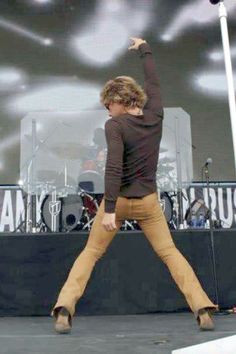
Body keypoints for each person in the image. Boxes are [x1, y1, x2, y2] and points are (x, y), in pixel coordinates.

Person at [51, 37, 217, 334]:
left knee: (90, 253)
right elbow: (153, 82)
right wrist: (144, 48)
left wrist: (111, 209)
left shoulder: (115, 126)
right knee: (170, 253)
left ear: (122, 101)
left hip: (120, 200)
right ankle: (202, 307)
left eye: (108, 103)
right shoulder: (155, 116)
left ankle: (64, 308)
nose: (106, 109)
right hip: (149, 203)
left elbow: (114, 167)